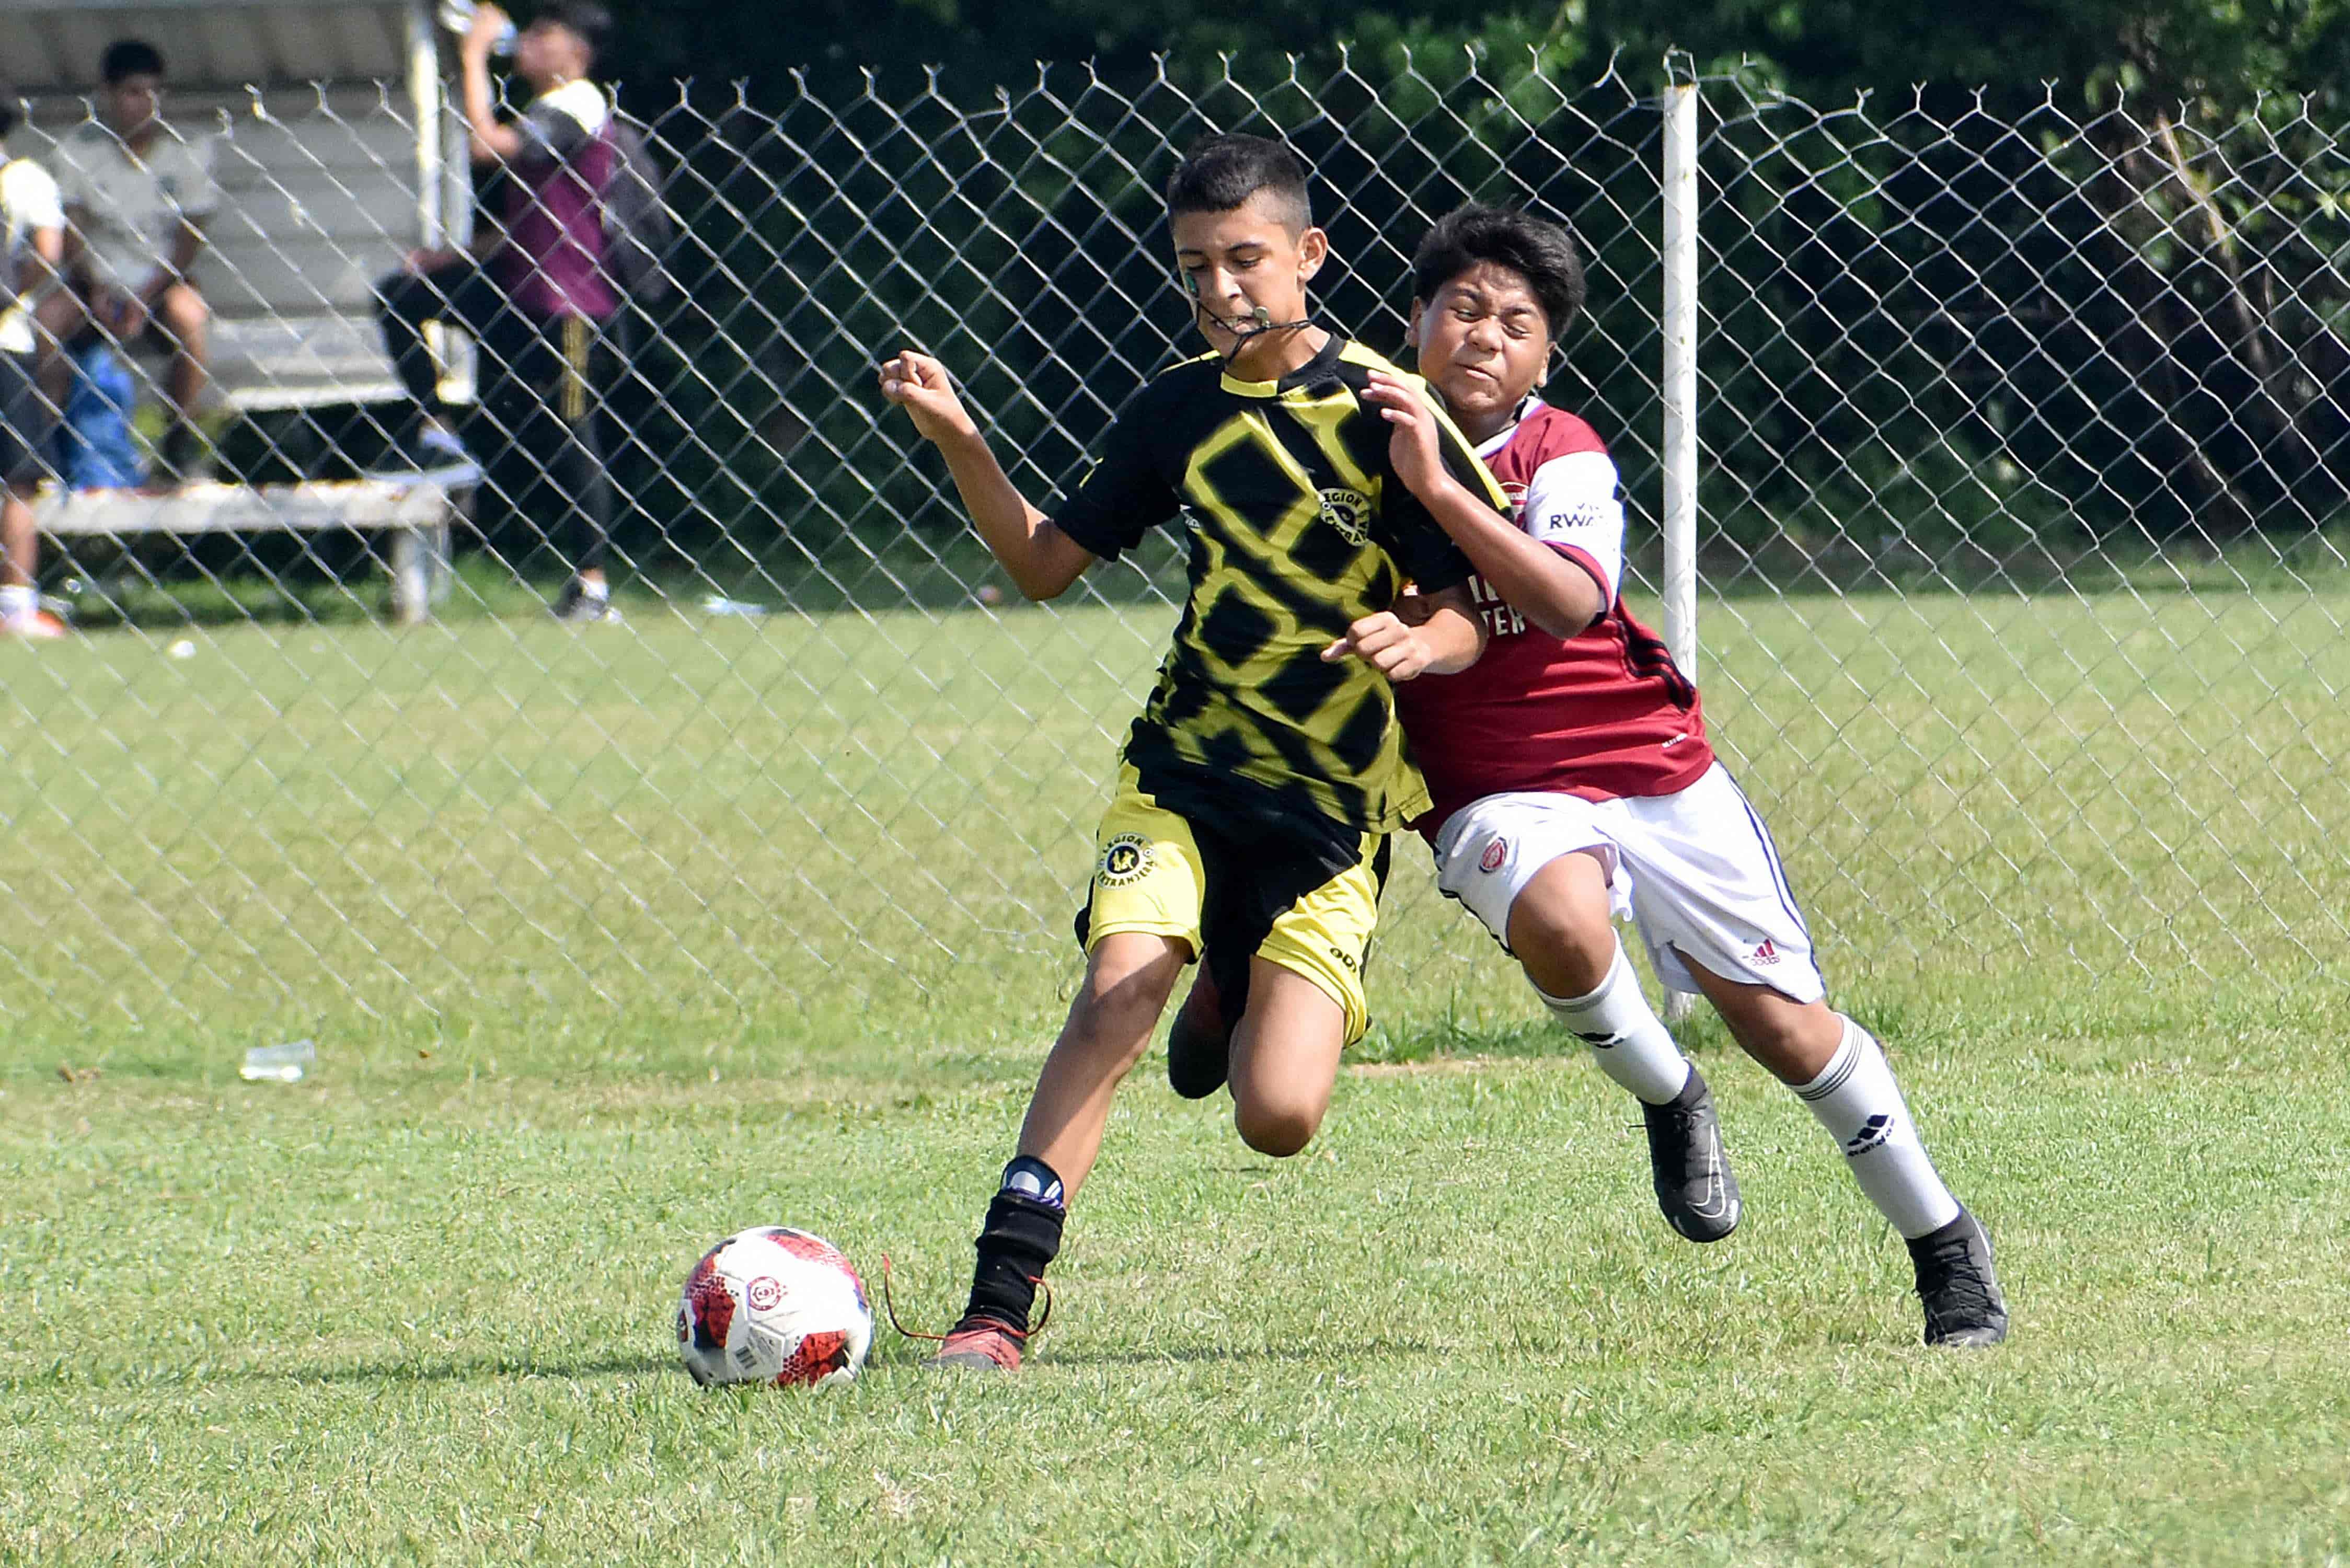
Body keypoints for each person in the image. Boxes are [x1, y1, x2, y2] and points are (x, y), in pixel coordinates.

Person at [1172, 204, 2009, 1348]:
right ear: (1414, 319)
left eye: (1516, 323)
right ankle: (1669, 1095)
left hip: (1649, 768)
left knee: (1788, 1034)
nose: (1483, 337)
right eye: (1461, 308)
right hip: (1491, 788)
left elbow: (1570, 603)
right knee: (1564, 922)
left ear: (1546, 356)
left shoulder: (1559, 453)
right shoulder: (1352, 434)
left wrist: (1446, 493)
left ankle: (1943, 1245)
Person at [880, 134, 1513, 1372]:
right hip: (1182, 769)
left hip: (1329, 806)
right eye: (1195, 268)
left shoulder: (1389, 411)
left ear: (1309, 257)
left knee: (1277, 1116)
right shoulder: (1177, 409)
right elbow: (1043, 566)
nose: (1222, 289)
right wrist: (962, 438)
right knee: (1117, 992)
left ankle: (1230, 972)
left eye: (1245, 260)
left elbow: (1471, 612)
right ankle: (997, 1307)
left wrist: (1422, 641)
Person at [366, 0, 639, 625]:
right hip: (519, 290)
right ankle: (438, 436)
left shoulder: (577, 106)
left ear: (576, 53)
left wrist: (471, 54)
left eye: (544, 34)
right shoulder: (551, 111)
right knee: (403, 297)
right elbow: (534, 219)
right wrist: (454, 258)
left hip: (568, 305)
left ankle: (591, 584)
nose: (529, 43)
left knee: (572, 432)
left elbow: (486, 146)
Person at [47, 39, 217, 485]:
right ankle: (45, 441)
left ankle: (179, 440)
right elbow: (72, 230)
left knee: (191, 318)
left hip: (159, 281)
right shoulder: (80, 151)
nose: (145, 105)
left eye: (154, 93)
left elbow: (189, 237)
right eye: (132, 93)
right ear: (107, 94)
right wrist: (96, 285)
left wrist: (149, 293)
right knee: (47, 320)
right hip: (94, 280)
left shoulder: (187, 151)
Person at [1, 108, 65, 638]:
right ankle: (17, 605)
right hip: (7, 342)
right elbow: (49, 252)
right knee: (18, 481)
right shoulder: (26, 179)